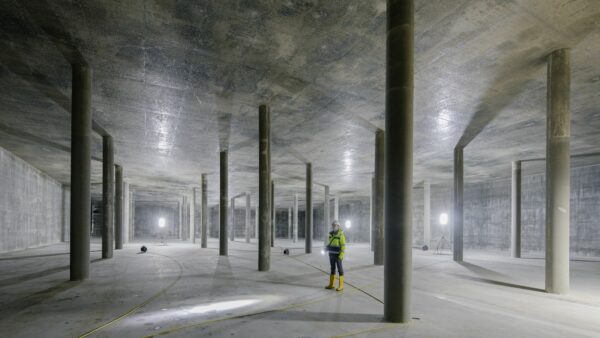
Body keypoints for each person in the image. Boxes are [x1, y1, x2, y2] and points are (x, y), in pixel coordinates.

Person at [325, 220, 346, 291]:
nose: (334, 226)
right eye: (333, 225)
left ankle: (341, 286)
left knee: (340, 270)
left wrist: (341, 256)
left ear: (338, 226)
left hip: (338, 255)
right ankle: (331, 284)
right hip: (331, 254)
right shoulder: (331, 234)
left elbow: (343, 246)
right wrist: (327, 248)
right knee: (332, 269)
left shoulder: (341, 234)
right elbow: (331, 243)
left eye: (335, 225)